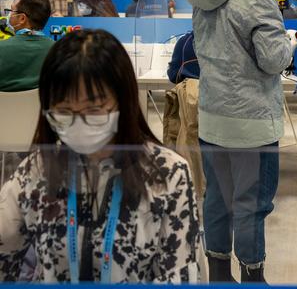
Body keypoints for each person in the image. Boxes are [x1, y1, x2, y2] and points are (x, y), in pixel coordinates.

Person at [0, 29, 200, 281]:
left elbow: (180, 276)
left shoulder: (168, 173)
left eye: (94, 109)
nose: (79, 121)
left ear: (123, 102)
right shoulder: (36, 172)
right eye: (64, 111)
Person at [183, 0, 292, 283]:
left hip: (213, 116)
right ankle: (252, 275)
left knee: (217, 198)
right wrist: (288, 43)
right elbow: (273, 60)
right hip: (252, 124)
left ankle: (217, 272)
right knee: (251, 204)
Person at [0, 0, 53, 91]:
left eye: (11, 11)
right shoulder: (58, 51)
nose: (8, 15)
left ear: (22, 18)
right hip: (42, 106)